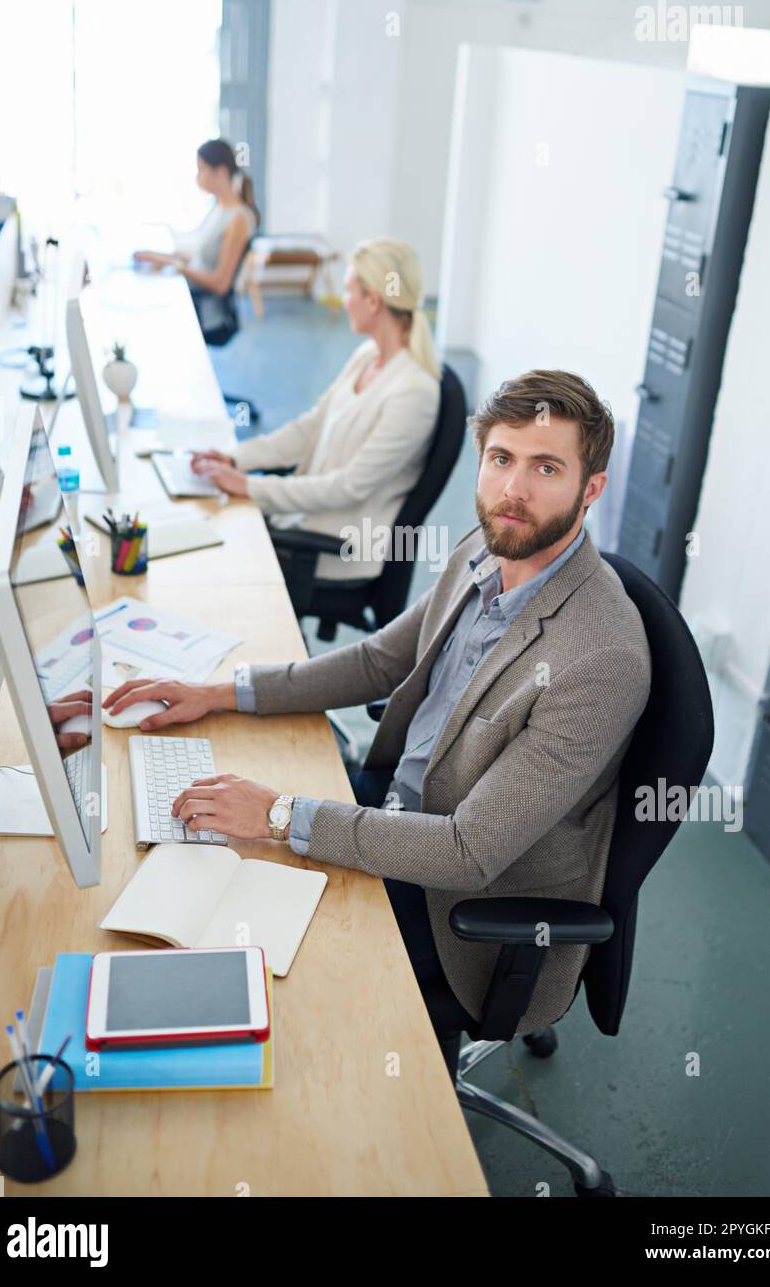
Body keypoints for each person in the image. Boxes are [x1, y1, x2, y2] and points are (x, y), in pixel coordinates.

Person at [103, 370, 652, 1074]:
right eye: (500, 459)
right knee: (185, 881)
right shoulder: (491, 546)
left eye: (546, 467)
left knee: (262, 986)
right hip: (392, 807)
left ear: (590, 487)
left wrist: (278, 814)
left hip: (460, 904)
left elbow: (467, 851)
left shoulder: (598, 658)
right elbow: (378, 658)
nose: (514, 489)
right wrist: (219, 693)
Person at [188, 237, 442, 584]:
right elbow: (309, 429)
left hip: (335, 548)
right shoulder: (367, 356)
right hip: (305, 523)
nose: (343, 300)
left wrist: (248, 486)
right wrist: (236, 459)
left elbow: (348, 487)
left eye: (349, 290)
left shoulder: (414, 393)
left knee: (216, 555)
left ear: (373, 300)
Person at [133, 138, 260, 346]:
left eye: (201, 169)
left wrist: (176, 266)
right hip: (195, 295)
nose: (197, 176)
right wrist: (158, 256)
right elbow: (200, 254)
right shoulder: (219, 208)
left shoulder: (238, 218)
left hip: (211, 313)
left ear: (221, 172)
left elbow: (220, 285)